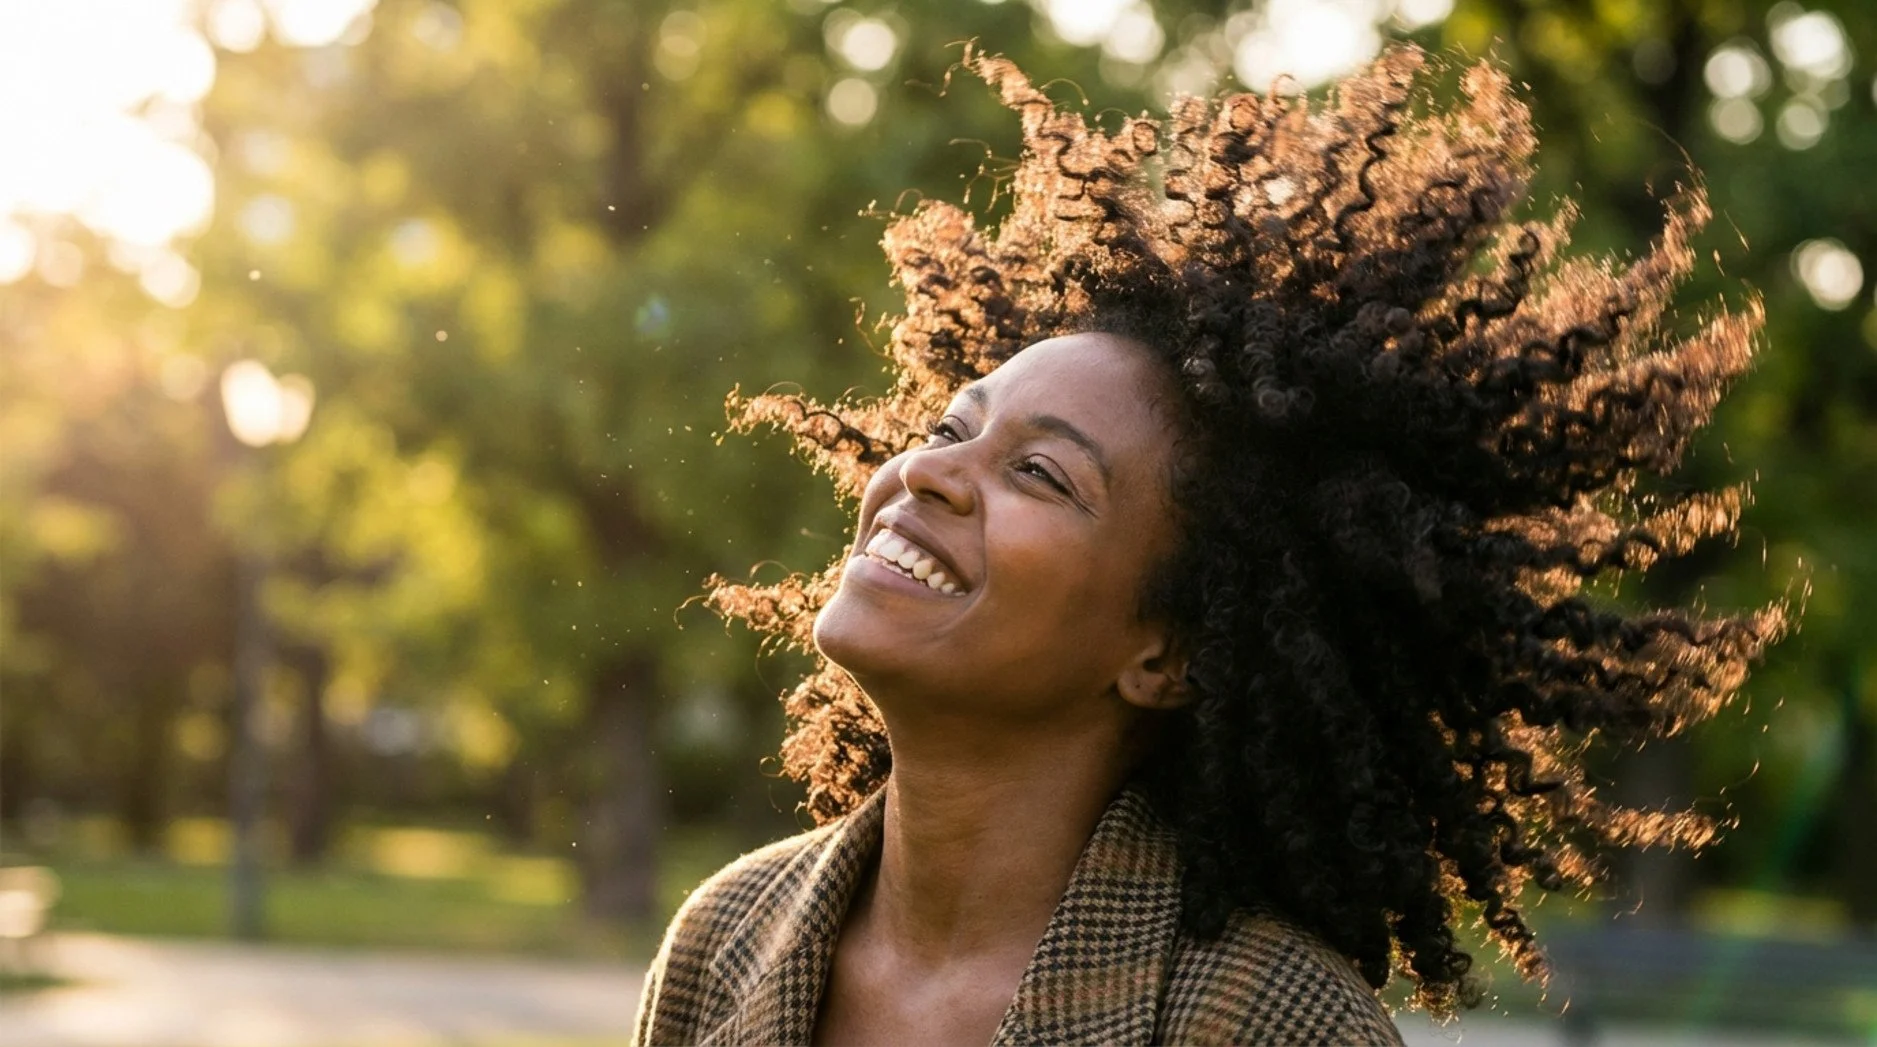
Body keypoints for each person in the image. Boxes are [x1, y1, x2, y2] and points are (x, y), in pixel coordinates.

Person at [633, 44, 1785, 1046]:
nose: (927, 472)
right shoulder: (724, 941)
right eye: (950, 425)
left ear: (1167, 652)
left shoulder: (1272, 1024)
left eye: (1037, 473)